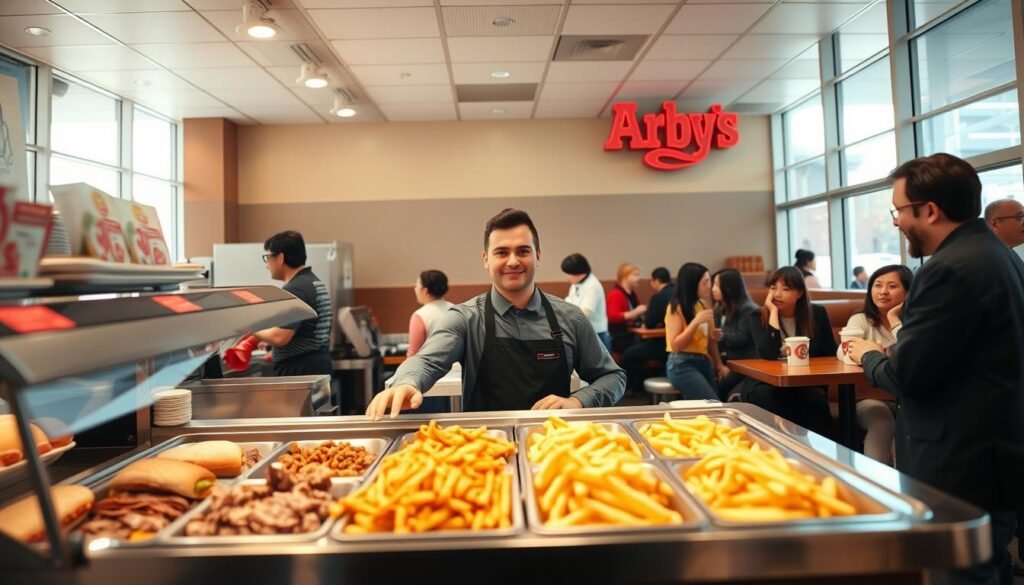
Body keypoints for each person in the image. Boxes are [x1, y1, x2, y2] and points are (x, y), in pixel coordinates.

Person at [849, 153, 1024, 585]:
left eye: (899, 210)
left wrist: (868, 356)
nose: (896, 222)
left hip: (960, 461)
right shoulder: (1000, 257)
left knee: (961, 574)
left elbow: (908, 375)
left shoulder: (947, 270)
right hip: (996, 452)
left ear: (929, 210)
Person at [367, 209, 625, 419]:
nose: (513, 261)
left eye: (523, 251)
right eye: (501, 252)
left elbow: (613, 377)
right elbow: (427, 361)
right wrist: (406, 383)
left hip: (552, 448)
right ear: (486, 259)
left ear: (538, 256)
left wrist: (577, 402)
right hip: (483, 452)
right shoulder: (465, 319)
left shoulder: (571, 318)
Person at [741, 266, 836, 438]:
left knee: (814, 399)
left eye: (785, 289)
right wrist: (773, 314)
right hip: (764, 383)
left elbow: (829, 353)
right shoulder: (756, 317)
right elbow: (768, 353)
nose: (777, 294)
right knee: (769, 397)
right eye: (773, 288)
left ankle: (825, 455)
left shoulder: (817, 314)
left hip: (802, 383)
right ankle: (778, 451)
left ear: (799, 293)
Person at [836, 264, 912, 465]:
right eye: (877, 285)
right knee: (881, 420)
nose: (883, 291)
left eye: (892, 286)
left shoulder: (914, 321)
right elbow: (843, 352)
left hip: (905, 396)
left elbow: (910, 350)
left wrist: (894, 320)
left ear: (909, 291)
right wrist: (870, 354)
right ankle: (876, 483)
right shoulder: (861, 319)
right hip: (866, 396)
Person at [254, 230, 333, 377]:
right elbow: (307, 331)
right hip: (316, 364)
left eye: (268, 258)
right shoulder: (312, 281)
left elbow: (280, 337)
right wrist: (270, 344)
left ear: (280, 258)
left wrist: (250, 329)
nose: (267, 265)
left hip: (300, 368)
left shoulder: (295, 289)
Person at [664, 263, 722, 401]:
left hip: (704, 361)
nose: (709, 286)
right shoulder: (676, 306)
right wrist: (695, 322)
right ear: (692, 284)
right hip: (682, 364)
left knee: (717, 401)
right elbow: (676, 345)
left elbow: (710, 341)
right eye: (705, 282)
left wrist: (719, 364)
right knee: (712, 404)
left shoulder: (702, 305)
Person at [622, 267, 673, 395]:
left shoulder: (659, 297)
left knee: (628, 355)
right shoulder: (679, 293)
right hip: (679, 346)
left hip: (663, 344)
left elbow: (649, 323)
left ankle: (640, 387)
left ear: (655, 280)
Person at [710, 268, 758, 400]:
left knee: (717, 387)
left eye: (717, 285)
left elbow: (741, 338)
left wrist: (720, 334)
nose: (713, 289)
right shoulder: (720, 308)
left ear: (729, 287)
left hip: (743, 364)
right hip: (726, 361)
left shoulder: (748, 309)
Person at [561, 253, 610, 350]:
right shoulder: (576, 283)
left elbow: (585, 312)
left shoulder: (593, 286)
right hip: (583, 333)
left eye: (569, 274)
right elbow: (568, 302)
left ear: (580, 272)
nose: (567, 278)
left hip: (596, 334)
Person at [408, 270, 454, 357]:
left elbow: (413, 354)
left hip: (432, 368)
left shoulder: (420, 315)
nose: (415, 289)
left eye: (417, 286)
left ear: (425, 291)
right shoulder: (457, 309)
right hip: (458, 368)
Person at [606, 263, 647, 354]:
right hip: (620, 338)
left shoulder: (631, 294)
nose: (638, 278)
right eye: (635, 275)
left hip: (631, 335)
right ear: (625, 276)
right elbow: (613, 317)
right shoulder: (615, 294)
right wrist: (636, 312)